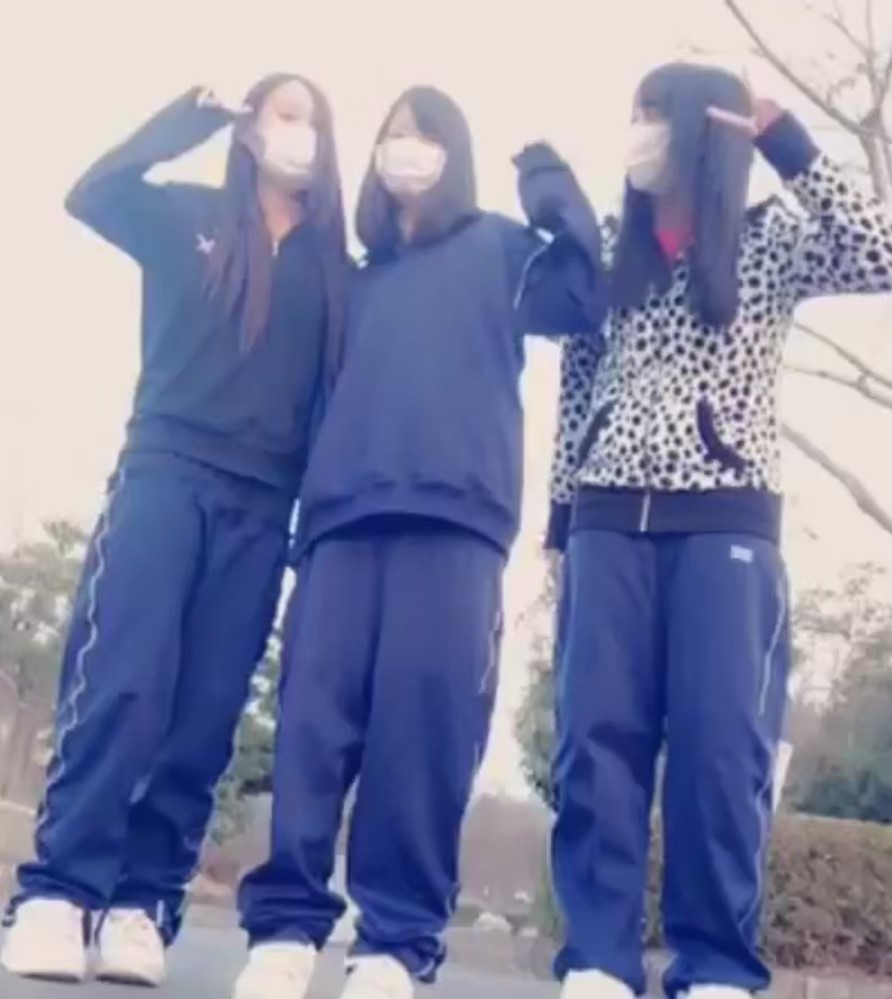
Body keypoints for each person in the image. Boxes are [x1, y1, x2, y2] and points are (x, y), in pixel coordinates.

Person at [546, 62, 892, 999]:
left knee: (719, 748)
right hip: (604, 521)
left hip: (726, 523)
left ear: (698, 132)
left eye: (654, 114)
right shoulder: (608, 246)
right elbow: (577, 383)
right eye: (631, 112)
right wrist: (558, 523)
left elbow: (887, 256)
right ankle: (597, 959)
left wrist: (786, 141)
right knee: (594, 745)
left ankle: (714, 965)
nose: (638, 131)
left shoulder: (769, 239)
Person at [230, 86, 605, 999]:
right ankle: (285, 928)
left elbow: (585, 288)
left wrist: (543, 174)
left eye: (425, 134)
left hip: (456, 524)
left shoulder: (499, 249)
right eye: (392, 134)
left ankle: (393, 943)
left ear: (454, 153)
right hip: (340, 522)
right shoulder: (354, 280)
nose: (405, 149)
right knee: (312, 728)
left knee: (423, 735)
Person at [1, 74, 347, 988]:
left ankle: (141, 901)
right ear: (249, 129)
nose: (298, 133)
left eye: (312, 120)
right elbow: (93, 193)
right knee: (120, 682)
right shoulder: (189, 216)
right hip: (165, 473)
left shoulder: (333, 268)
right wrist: (188, 118)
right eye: (282, 114)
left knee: (203, 712)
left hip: (263, 508)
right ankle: (58, 891)